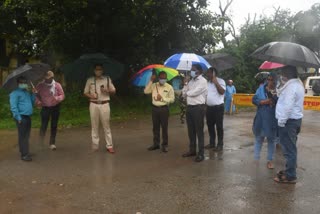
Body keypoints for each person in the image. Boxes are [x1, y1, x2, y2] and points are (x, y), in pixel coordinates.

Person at [274, 65, 304, 184]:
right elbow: (281, 95)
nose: (281, 74)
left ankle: (291, 176)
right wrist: (278, 86)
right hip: (294, 121)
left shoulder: (292, 87)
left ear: (287, 73)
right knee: (291, 147)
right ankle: (289, 170)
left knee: (289, 149)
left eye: (282, 72)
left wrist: (281, 121)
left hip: (288, 122)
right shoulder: (297, 84)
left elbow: (287, 106)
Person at [84, 64, 116, 153]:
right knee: (94, 125)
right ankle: (95, 145)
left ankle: (109, 145)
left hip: (105, 104)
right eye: (97, 69)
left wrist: (107, 91)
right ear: (94, 70)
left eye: (100, 69)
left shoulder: (107, 79)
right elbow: (85, 92)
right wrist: (91, 95)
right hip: (93, 104)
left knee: (106, 125)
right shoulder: (90, 80)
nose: (98, 71)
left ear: (102, 70)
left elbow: (114, 90)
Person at [182, 64, 208, 162]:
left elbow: (195, 92)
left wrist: (187, 92)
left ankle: (201, 154)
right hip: (189, 108)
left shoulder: (203, 81)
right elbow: (183, 93)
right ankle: (192, 150)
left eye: (193, 70)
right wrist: (185, 84)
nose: (191, 71)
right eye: (191, 70)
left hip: (198, 108)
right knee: (191, 131)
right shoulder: (190, 81)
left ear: (199, 71)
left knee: (199, 131)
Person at [144, 71, 175, 152]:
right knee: (155, 128)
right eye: (161, 78)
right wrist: (151, 81)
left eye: (164, 78)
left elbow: (172, 99)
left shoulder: (169, 87)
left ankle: (165, 145)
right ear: (158, 78)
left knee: (164, 128)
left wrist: (162, 98)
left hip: (164, 109)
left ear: (166, 78)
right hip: (155, 109)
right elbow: (146, 91)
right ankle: (156, 144)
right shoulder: (154, 85)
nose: (163, 79)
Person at [252, 72, 278, 169]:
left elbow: (281, 103)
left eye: (272, 80)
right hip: (261, 118)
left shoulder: (278, 91)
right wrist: (263, 102)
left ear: (276, 81)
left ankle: (269, 161)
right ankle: (256, 159)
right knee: (259, 139)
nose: (270, 82)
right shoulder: (261, 89)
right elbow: (254, 100)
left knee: (271, 140)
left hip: (272, 119)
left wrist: (274, 99)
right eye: (269, 79)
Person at [9, 76, 37, 161]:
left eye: (25, 82)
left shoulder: (26, 92)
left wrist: (33, 94)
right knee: (23, 136)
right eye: (23, 82)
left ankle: (24, 151)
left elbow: (32, 103)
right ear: (19, 83)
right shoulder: (14, 93)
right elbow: (13, 107)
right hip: (21, 117)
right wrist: (18, 117)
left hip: (28, 117)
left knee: (26, 135)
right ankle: (24, 155)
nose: (25, 84)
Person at [36, 71, 65, 150]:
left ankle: (52, 143)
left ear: (52, 78)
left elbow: (62, 95)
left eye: (49, 78)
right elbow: (36, 96)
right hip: (45, 108)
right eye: (46, 78)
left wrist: (57, 98)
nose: (47, 80)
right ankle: (40, 143)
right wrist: (38, 102)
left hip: (55, 107)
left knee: (54, 125)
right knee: (43, 125)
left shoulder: (57, 85)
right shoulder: (40, 85)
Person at [205, 67, 226, 151]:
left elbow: (222, 92)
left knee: (219, 126)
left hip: (218, 108)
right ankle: (212, 143)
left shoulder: (221, 81)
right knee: (210, 126)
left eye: (209, 72)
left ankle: (220, 144)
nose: (207, 74)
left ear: (214, 73)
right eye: (207, 73)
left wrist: (216, 83)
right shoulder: (207, 83)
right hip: (209, 108)